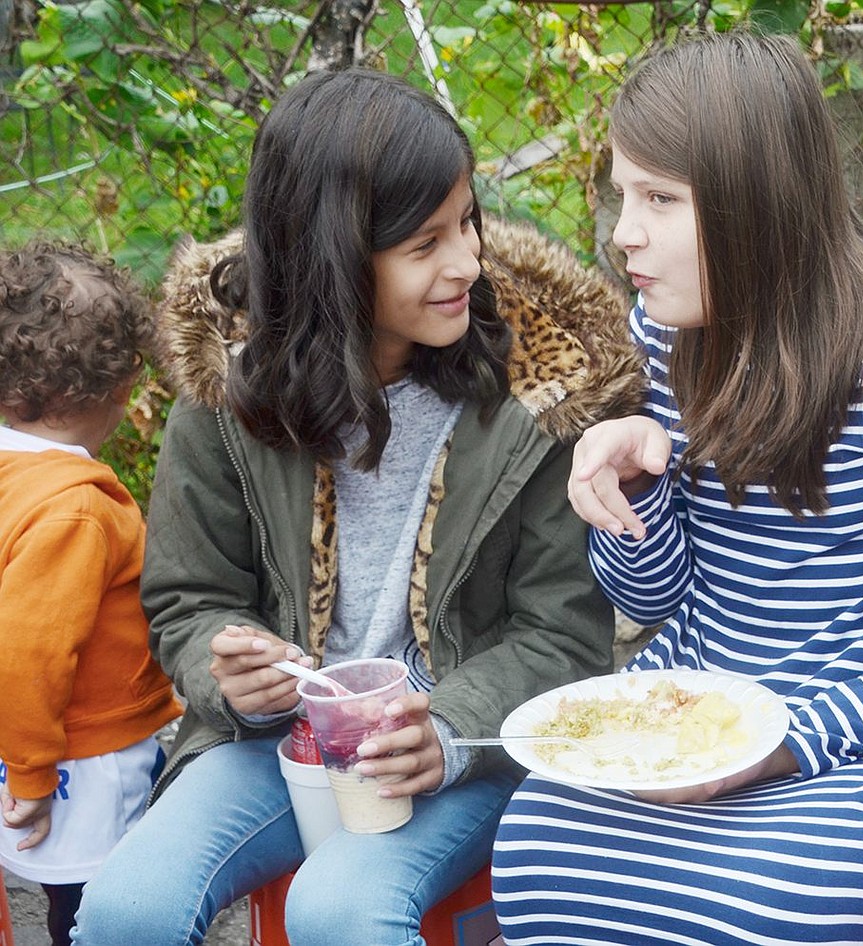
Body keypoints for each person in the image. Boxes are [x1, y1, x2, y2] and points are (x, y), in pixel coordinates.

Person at [492, 31, 863, 946]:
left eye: (659, 199)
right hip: (718, 691)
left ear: (754, 200)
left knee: (786, 910)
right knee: (535, 860)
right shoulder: (665, 324)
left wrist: (780, 744)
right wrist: (633, 486)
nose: (621, 232)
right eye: (620, 192)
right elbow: (656, 595)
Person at [70, 67, 639, 946]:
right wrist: (235, 682)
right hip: (279, 745)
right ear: (331, 259)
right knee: (124, 910)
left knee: (339, 910)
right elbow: (189, 600)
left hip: (459, 744)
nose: (466, 262)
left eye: (467, 223)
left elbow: (561, 635)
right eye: (425, 244)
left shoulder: (538, 396)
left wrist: (446, 730)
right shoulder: (228, 394)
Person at [0, 242, 182, 946]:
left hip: (30, 742)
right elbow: (28, 651)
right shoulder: (76, 509)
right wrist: (36, 776)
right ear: (120, 388)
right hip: (82, 755)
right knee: (101, 902)